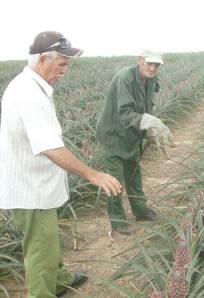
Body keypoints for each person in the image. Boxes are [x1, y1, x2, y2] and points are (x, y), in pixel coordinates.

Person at [0, 31, 122, 298]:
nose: (65, 71)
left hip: (35, 182)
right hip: (30, 188)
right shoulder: (28, 94)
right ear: (43, 59)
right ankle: (43, 292)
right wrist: (93, 174)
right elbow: (50, 147)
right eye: (62, 64)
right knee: (41, 247)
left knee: (47, 237)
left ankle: (60, 279)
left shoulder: (31, 85)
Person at [96, 50, 173, 235]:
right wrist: (150, 122)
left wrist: (148, 131)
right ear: (139, 60)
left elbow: (145, 106)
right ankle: (117, 220)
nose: (153, 68)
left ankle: (141, 211)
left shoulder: (151, 79)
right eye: (150, 63)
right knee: (115, 179)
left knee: (133, 173)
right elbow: (125, 113)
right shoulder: (125, 79)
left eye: (157, 65)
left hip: (132, 133)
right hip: (114, 133)